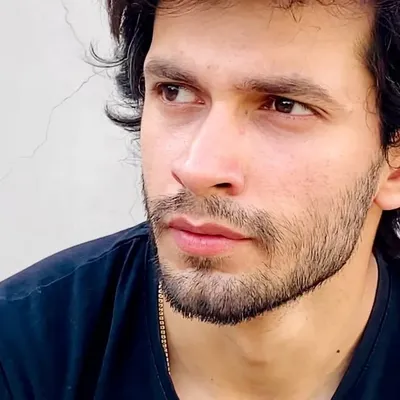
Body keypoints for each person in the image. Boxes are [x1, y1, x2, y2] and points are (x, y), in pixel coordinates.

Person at [2, 0, 400, 399]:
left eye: (285, 105)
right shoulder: (21, 354)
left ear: (394, 166)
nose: (197, 169)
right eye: (174, 92)